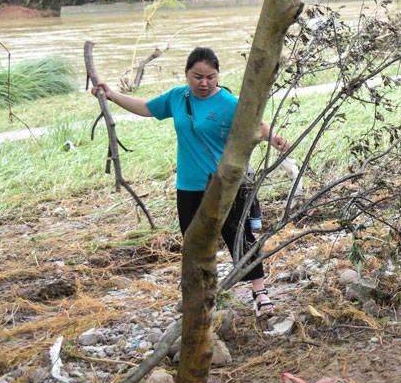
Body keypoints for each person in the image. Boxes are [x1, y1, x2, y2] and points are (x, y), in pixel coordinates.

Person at [92, 47, 290, 314]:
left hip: (224, 184)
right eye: (197, 76)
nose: (204, 82)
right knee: (193, 244)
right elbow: (146, 108)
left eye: (210, 76)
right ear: (186, 74)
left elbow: (258, 125)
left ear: (218, 75)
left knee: (239, 237)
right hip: (188, 186)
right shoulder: (177, 97)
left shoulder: (229, 102)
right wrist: (112, 95)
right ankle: (202, 296)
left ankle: (260, 292)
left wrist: (273, 138)